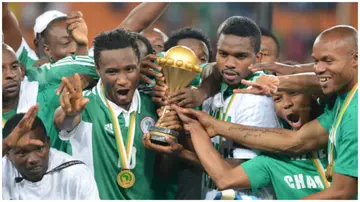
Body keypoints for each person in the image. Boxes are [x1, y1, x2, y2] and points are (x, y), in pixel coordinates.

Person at [171, 25, 358, 199]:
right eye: (315, 61)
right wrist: (202, 123)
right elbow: (296, 140)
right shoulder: (338, 105)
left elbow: (343, 192)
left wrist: (286, 78)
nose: (318, 69)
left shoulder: (353, 114)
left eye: (328, 60)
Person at [146, 16, 281, 199]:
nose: (229, 63)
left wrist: (181, 152)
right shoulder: (215, 88)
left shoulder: (257, 100)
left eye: (240, 56)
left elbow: (236, 171)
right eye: (223, 54)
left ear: (258, 58)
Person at [53, 29, 180, 199]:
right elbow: (63, 122)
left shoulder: (154, 106)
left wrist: (170, 145)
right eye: (112, 72)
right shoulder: (84, 106)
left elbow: (163, 173)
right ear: (97, 70)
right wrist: (68, 114)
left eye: (129, 69)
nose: (122, 80)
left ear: (139, 66)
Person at [172, 89, 328, 199]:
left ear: (312, 93)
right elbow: (225, 178)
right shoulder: (276, 156)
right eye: (277, 98)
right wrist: (193, 127)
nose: (287, 103)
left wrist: (215, 126)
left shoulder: (337, 127)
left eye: (294, 93)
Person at [2, 105, 99, 200]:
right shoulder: (3, 170)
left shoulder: (76, 174)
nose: (33, 159)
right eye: (22, 152)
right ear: (8, 155)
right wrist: (5, 145)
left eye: (39, 148)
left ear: (48, 144)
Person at [2, 43, 70, 153]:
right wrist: (7, 144)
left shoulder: (48, 96)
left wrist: (85, 78)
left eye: (14, 67)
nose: (10, 74)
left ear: (22, 71)